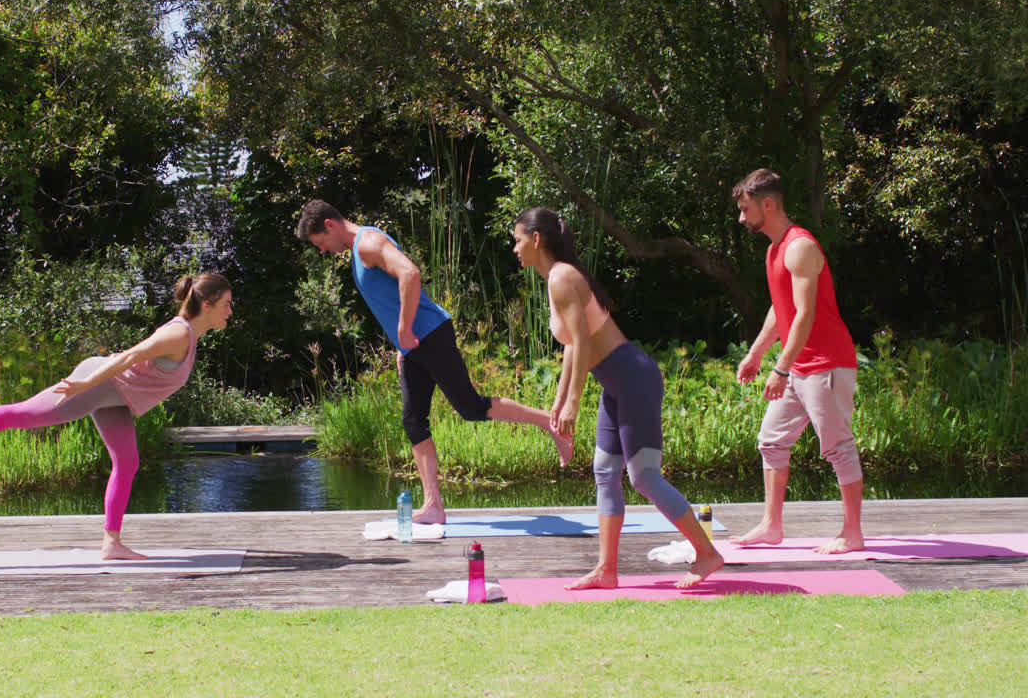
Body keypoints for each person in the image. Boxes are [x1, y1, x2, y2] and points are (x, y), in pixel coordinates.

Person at [0, 273, 234, 560]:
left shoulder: (189, 336)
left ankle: (112, 542)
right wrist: (86, 383)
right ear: (207, 304)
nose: (229, 312)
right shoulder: (179, 334)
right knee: (25, 414)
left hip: (116, 398)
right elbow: (131, 356)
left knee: (127, 462)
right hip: (99, 384)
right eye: (226, 304)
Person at [297, 200, 573, 525]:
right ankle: (433, 506)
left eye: (321, 244)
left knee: (470, 406)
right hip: (416, 344)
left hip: (431, 334)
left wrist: (403, 327)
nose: (325, 251)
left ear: (330, 225)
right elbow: (392, 296)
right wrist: (403, 345)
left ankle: (549, 424)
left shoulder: (368, 243)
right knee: (413, 421)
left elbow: (409, 274)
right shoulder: (359, 250)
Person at [512, 207, 723, 589]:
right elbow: (574, 349)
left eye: (517, 239)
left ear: (536, 239)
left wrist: (574, 403)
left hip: (632, 376)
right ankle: (606, 570)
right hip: (615, 383)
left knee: (644, 477)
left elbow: (584, 339)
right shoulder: (555, 278)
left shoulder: (562, 276)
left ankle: (706, 553)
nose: (515, 248)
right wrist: (560, 404)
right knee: (605, 472)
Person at [731, 168, 865, 554]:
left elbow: (804, 315)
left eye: (746, 209)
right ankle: (772, 526)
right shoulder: (776, 249)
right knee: (771, 441)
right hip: (799, 365)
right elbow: (781, 309)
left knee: (838, 447)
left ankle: (852, 533)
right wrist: (757, 353)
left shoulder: (800, 246)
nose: (742, 218)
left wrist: (780, 368)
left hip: (826, 364)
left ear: (767, 205)